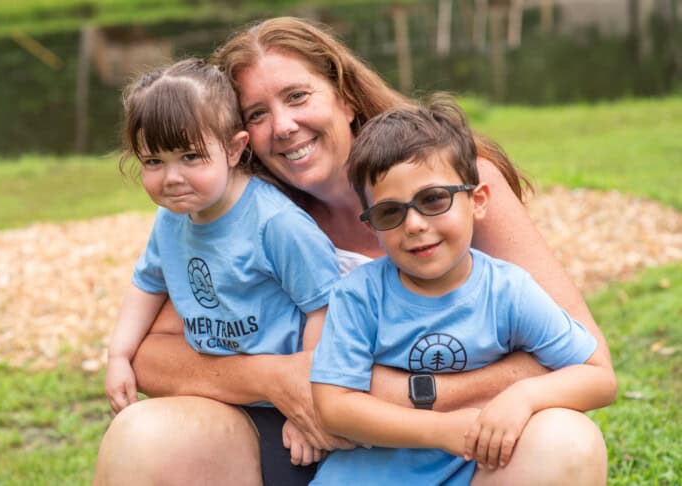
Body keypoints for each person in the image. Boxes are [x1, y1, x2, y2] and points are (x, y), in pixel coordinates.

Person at [94, 17, 616, 486]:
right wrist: (275, 377)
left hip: (458, 440)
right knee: (143, 434)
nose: (282, 126)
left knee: (565, 440)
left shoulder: (451, 179)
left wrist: (401, 395)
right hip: (300, 443)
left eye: (297, 96)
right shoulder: (245, 212)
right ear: (236, 138)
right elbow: (153, 354)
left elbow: (581, 356)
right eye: (257, 113)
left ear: (345, 96)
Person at [309, 102, 617, 485]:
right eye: (390, 212)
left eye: (434, 199)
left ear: (479, 201)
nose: (416, 225)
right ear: (373, 227)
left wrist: (523, 397)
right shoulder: (359, 296)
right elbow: (334, 406)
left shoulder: (509, 291)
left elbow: (597, 377)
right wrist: (440, 430)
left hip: (479, 470)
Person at [102, 57, 343, 483]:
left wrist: (309, 407)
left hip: (284, 410)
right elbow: (146, 283)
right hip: (222, 395)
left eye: (191, 156)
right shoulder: (172, 220)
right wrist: (120, 354)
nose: (172, 177)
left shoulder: (275, 224)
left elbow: (326, 308)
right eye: (154, 162)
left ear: (234, 148)